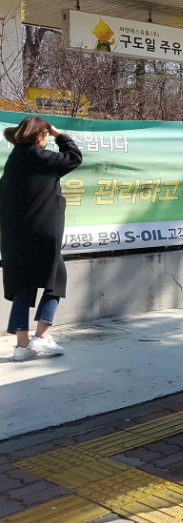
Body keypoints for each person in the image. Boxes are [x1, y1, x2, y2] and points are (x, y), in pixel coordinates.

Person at [1, 116, 83, 362]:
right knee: (56, 279)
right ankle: (42, 336)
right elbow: (74, 158)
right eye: (46, 135)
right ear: (39, 136)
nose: (47, 139)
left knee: (22, 287)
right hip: (41, 232)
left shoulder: (15, 160)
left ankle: (22, 345)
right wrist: (62, 136)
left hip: (14, 235)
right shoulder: (39, 158)